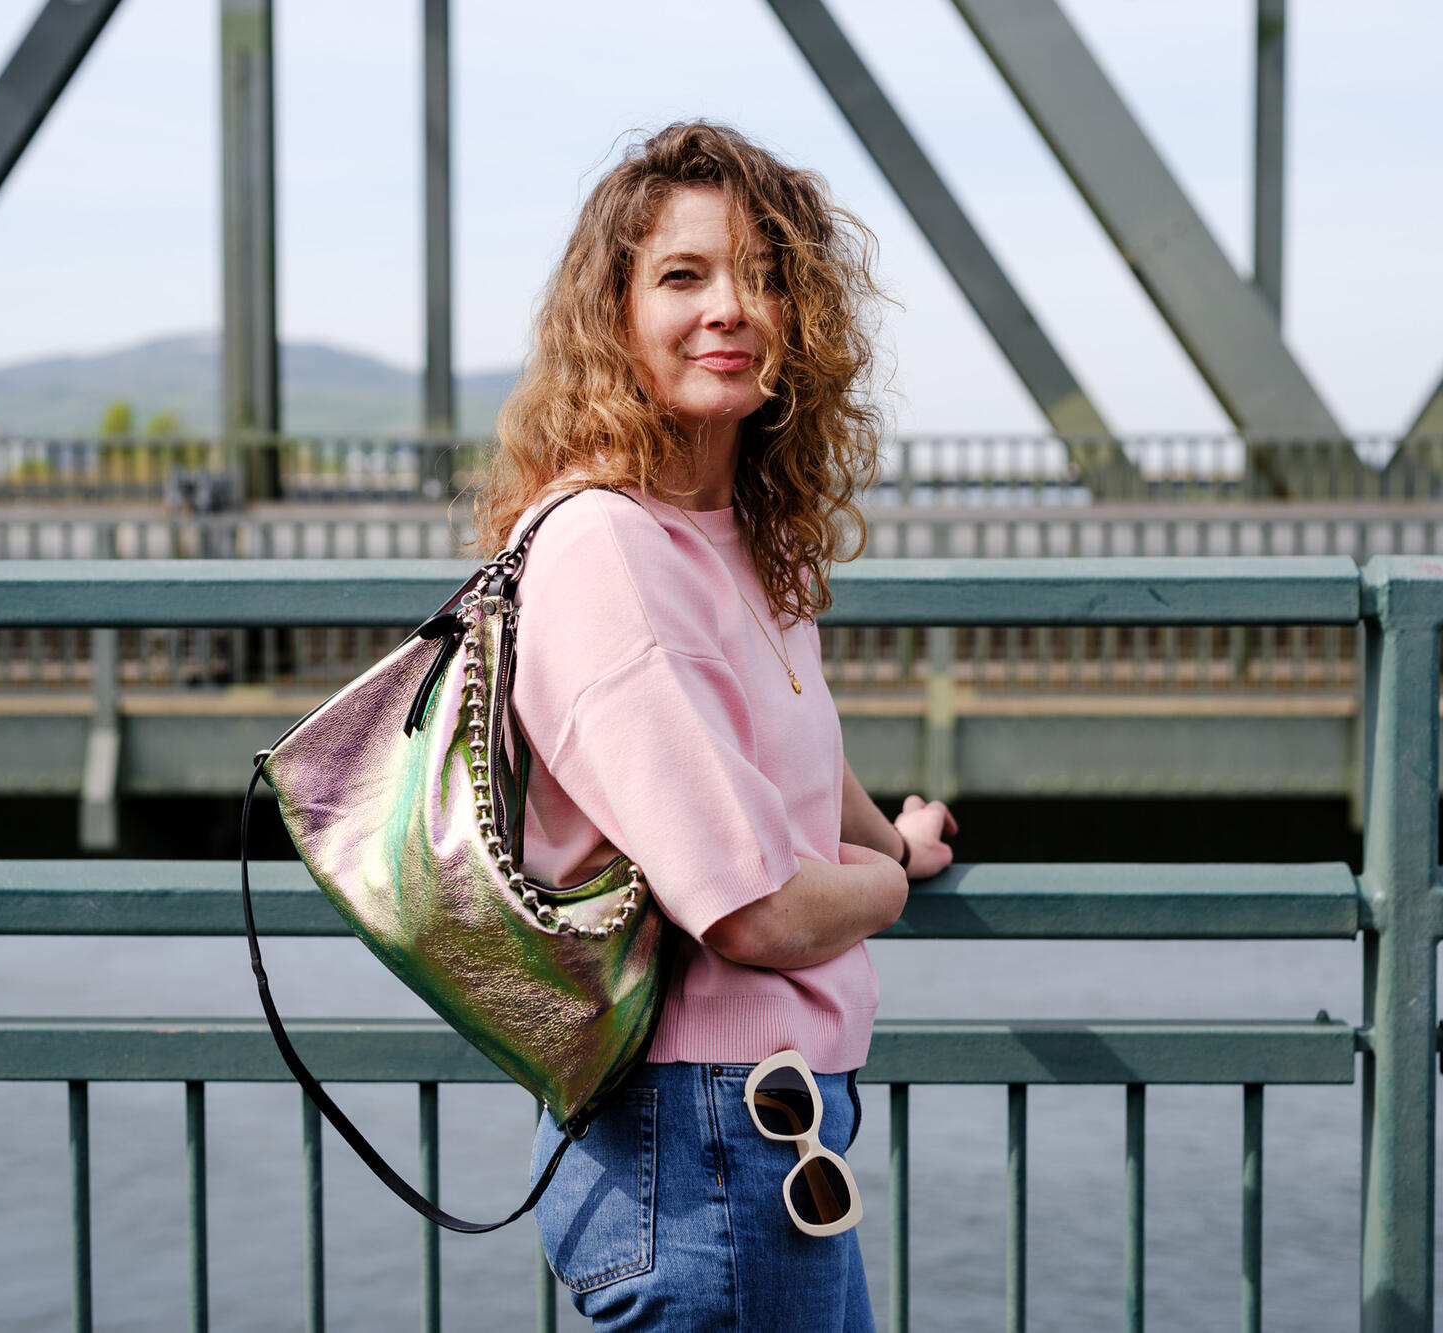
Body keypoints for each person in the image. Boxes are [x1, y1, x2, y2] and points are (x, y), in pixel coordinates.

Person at [472, 121, 958, 1330]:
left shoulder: (730, 533)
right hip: (698, 1142)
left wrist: (893, 841)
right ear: (616, 315)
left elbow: (786, 750)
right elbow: (755, 912)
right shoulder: (604, 549)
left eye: (764, 274)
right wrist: (883, 891)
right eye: (683, 276)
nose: (728, 308)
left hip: (753, 1130)